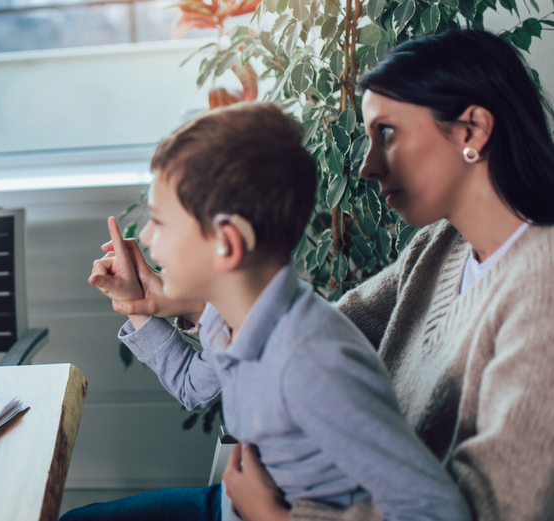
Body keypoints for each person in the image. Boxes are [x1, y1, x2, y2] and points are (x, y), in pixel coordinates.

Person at [86, 30, 554, 521]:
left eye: (387, 133)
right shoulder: (441, 246)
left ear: (471, 131)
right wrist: (181, 298)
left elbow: (494, 510)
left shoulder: (540, 288)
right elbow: (307, 330)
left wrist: (276, 519)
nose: (368, 166)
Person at [67, 102, 470, 521]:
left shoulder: (312, 363)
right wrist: (139, 307)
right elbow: (191, 386)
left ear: (227, 242)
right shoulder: (236, 317)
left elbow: (436, 512)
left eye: (160, 222)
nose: (146, 238)